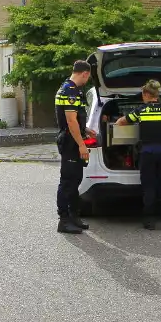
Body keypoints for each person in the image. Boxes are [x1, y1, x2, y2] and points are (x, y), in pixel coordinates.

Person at [117, 79, 161, 231]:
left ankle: (149, 221)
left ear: (147, 94)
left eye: (143, 94)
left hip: (147, 152)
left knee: (149, 186)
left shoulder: (141, 110)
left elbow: (121, 122)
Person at [54, 60, 96, 234]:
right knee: (67, 182)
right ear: (85, 73)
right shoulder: (69, 91)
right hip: (71, 142)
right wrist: (81, 145)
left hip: (74, 139)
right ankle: (63, 220)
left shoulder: (73, 89)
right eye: (88, 77)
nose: (87, 80)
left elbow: (75, 119)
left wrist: (86, 129)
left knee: (75, 180)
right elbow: (70, 121)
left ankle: (73, 216)